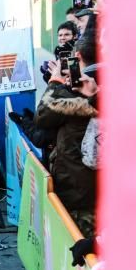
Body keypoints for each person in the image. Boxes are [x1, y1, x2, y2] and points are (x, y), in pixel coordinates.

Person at [34, 32, 100, 238]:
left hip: (82, 201)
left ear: (78, 57)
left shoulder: (86, 102)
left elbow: (44, 114)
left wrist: (55, 83)